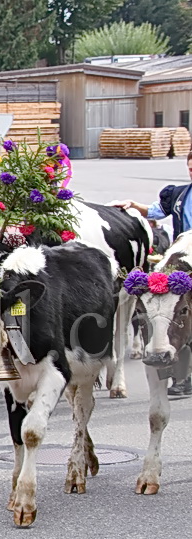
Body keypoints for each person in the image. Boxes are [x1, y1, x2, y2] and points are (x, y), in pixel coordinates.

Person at [111, 151, 192, 396]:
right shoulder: (179, 195)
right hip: (183, 262)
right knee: (178, 319)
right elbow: (156, 211)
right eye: (190, 167)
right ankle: (181, 378)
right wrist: (133, 206)